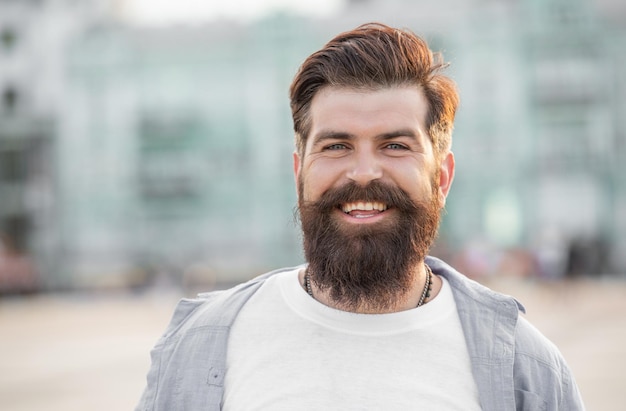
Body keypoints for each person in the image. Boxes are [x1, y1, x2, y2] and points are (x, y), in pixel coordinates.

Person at [136, 23, 585, 410]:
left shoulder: (526, 369)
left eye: (395, 145)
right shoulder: (199, 345)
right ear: (299, 174)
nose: (365, 172)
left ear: (442, 178)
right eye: (336, 146)